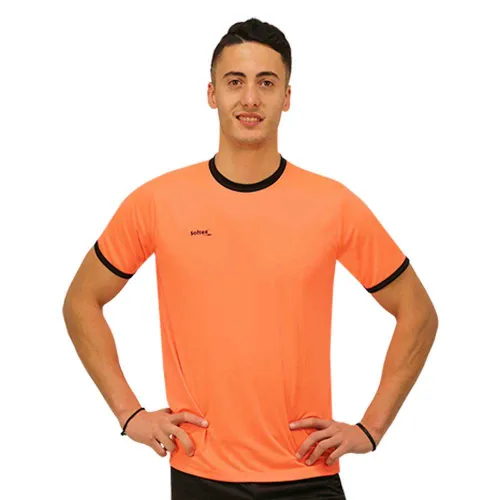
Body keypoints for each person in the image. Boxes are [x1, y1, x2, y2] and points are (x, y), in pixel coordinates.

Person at [62, 17, 438, 500]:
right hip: (200, 474)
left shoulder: (333, 205)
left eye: (266, 82)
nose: (251, 98)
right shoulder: (157, 202)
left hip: (306, 473)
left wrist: (371, 428)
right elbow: (81, 300)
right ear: (212, 93)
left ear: (287, 96)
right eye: (235, 82)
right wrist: (129, 414)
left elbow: (418, 312)